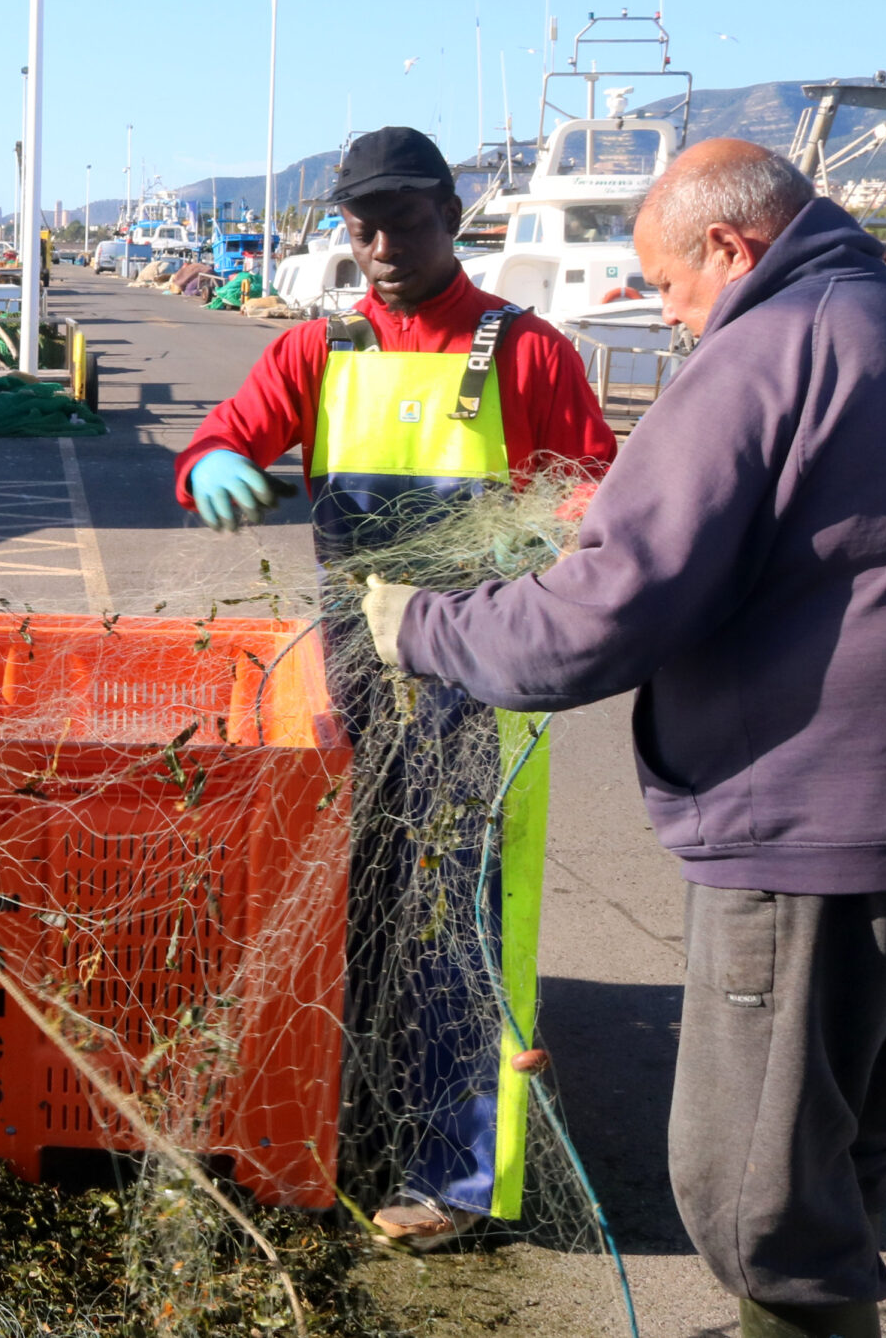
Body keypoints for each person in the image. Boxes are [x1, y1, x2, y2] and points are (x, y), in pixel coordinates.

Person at [364, 140, 886, 1338]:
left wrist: (418, 623)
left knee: (755, 1206)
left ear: (731, 248)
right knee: (838, 1155)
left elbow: (595, 621)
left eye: (672, 288)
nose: (672, 318)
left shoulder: (761, 351)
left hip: (818, 839)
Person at [172, 125, 617, 1246]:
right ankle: (352, 1116)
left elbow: (600, 493)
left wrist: (555, 526)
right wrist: (212, 465)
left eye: (405, 224)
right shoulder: (314, 349)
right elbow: (222, 438)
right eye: (360, 227)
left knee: (461, 922)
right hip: (350, 675)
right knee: (351, 907)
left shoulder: (528, 352)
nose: (380, 247)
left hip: (480, 677)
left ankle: (457, 1178)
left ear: (451, 219)